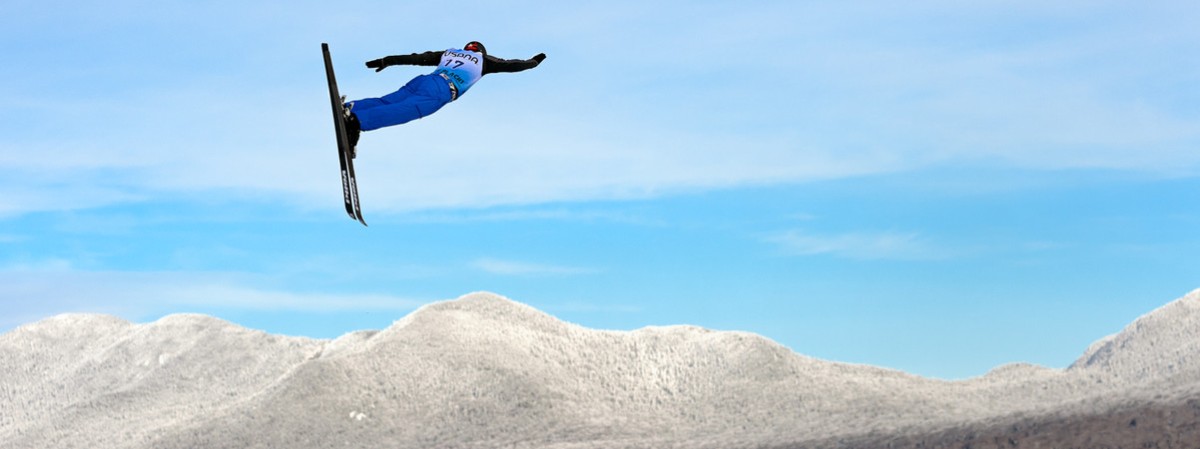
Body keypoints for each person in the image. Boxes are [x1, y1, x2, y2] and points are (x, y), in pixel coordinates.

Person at [342, 41, 546, 154]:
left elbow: (416, 58)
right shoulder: (485, 61)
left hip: (424, 80)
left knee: (388, 101)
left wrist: (387, 60)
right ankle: (357, 121)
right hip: (442, 89)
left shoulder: (449, 52)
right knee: (405, 111)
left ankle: (352, 107)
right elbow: (513, 65)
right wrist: (533, 62)